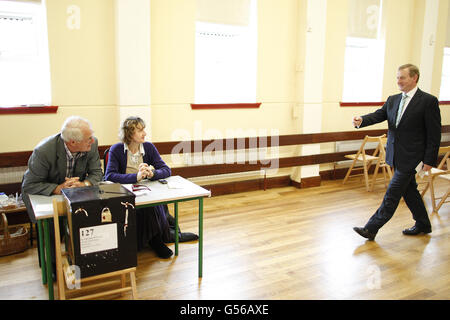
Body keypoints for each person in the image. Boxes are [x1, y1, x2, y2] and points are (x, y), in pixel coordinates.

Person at [352, 64, 441, 241]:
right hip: (395, 155)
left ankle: (371, 228)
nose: (398, 81)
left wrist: (430, 159)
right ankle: (423, 224)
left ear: (414, 78)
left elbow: (434, 134)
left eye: (402, 77)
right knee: (409, 191)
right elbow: (379, 115)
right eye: (397, 77)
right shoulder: (393, 99)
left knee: (392, 193)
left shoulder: (428, 101)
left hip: (413, 157)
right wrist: (362, 120)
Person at [104, 116, 198, 258]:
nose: (144, 133)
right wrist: (137, 176)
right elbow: (109, 176)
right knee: (143, 207)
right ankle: (153, 240)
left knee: (152, 203)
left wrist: (151, 173)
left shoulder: (148, 147)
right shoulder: (116, 149)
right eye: (140, 130)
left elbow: (166, 170)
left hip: (146, 191)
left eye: (144, 130)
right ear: (129, 133)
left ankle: (154, 240)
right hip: (126, 194)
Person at [22, 116, 103, 272]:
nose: (92, 141)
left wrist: (83, 184)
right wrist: (58, 188)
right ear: (73, 142)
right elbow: (30, 185)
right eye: (88, 138)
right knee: (52, 225)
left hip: (75, 193)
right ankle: (52, 266)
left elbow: (97, 173)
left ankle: (84, 260)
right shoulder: (44, 151)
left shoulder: (91, 145)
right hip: (45, 194)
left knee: (88, 216)